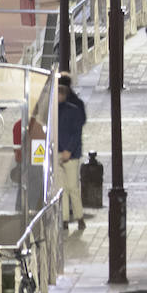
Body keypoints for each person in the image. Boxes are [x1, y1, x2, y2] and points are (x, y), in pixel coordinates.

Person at [56, 77, 87, 231]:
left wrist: (68, 150)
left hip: (68, 153)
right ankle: (70, 218)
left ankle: (74, 218)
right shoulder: (74, 108)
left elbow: (75, 133)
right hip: (69, 153)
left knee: (70, 187)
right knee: (67, 188)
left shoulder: (68, 111)